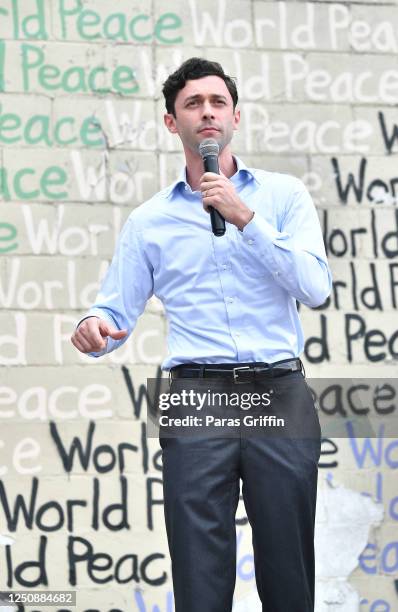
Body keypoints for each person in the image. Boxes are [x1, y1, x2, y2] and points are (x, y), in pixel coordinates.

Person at [71, 57, 332, 612]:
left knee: (288, 568)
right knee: (198, 570)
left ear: (235, 115)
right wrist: (93, 328)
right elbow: (112, 310)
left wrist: (246, 219)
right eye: (193, 104)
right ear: (173, 123)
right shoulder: (149, 222)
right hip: (197, 396)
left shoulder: (283, 198)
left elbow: (315, 288)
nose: (206, 112)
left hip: (277, 392)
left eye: (217, 102)